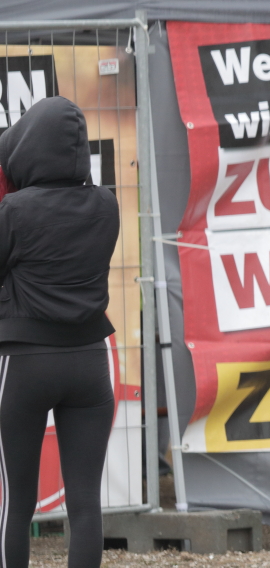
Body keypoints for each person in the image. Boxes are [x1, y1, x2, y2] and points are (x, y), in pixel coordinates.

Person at [0, 97, 120, 568]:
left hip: (25, 362)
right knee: (86, 503)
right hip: (90, 361)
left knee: (17, 503)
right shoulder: (106, 203)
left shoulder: (13, 210)